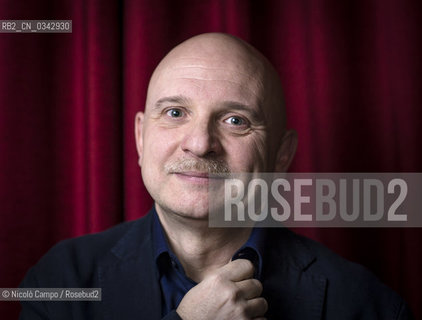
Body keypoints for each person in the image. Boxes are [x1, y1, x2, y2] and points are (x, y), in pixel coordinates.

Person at [19, 33, 413, 319]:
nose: (200, 143)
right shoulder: (60, 279)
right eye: (175, 113)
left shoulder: (370, 306)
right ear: (141, 136)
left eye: (235, 120)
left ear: (281, 154)